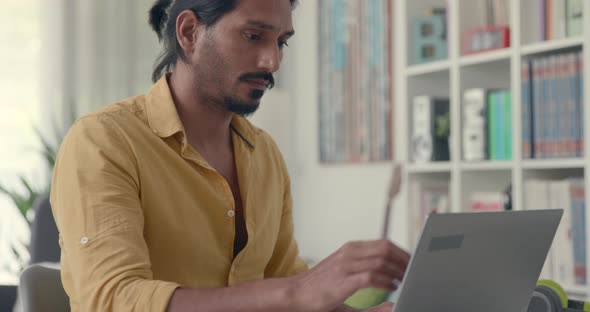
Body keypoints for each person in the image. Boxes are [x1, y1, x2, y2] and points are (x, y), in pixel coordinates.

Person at [50, 0, 410, 311]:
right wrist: (296, 291)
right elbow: (113, 300)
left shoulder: (265, 154)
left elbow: (285, 282)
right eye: (253, 36)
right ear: (189, 32)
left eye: (281, 42)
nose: (272, 61)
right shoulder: (104, 141)